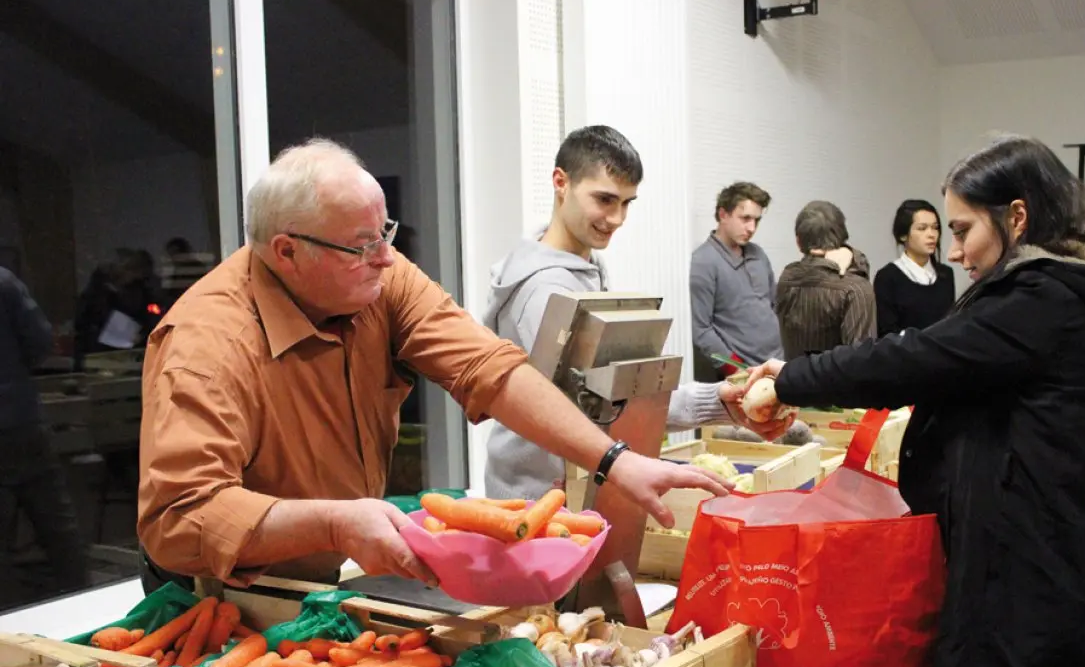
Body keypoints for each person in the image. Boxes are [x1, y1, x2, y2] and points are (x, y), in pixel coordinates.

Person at [740, 135, 1085, 667]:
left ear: (1017, 217)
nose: (955, 248)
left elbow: (909, 358)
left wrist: (789, 380)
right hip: (1043, 566)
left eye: (964, 229)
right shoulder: (1063, 294)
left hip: (1026, 587)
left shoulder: (1042, 300)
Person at [137, 138, 730, 593]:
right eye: (363, 245)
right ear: (288, 252)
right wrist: (336, 524)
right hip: (211, 592)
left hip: (315, 574)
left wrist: (614, 461)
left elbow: (489, 370)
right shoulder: (206, 348)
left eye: (385, 232)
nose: (386, 257)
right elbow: (179, 518)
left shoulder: (379, 280)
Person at [483, 126, 794, 499]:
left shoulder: (587, 266)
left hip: (575, 484)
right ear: (560, 182)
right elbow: (592, 406)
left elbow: (613, 388)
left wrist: (717, 401)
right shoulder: (544, 289)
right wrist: (710, 402)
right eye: (604, 200)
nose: (616, 218)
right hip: (538, 498)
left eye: (626, 203)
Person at [0, 267, 89, 602]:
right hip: (19, 418)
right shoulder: (4, 282)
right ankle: (81, 601)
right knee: (56, 522)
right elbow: (39, 344)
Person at [689, 181, 782, 380]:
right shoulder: (703, 261)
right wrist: (736, 369)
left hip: (776, 365)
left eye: (756, 220)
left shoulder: (758, 254)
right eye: (745, 218)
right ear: (723, 215)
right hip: (743, 374)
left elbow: (773, 305)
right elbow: (701, 329)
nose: (752, 227)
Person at [775, 200, 875, 359]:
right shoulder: (856, 289)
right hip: (834, 383)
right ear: (843, 238)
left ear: (798, 241)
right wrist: (853, 254)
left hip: (792, 380)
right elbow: (860, 361)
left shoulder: (786, 278)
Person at [873, 199, 956, 336]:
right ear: (903, 235)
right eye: (922, 228)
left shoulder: (945, 274)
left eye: (935, 227)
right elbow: (887, 333)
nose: (931, 235)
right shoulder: (888, 277)